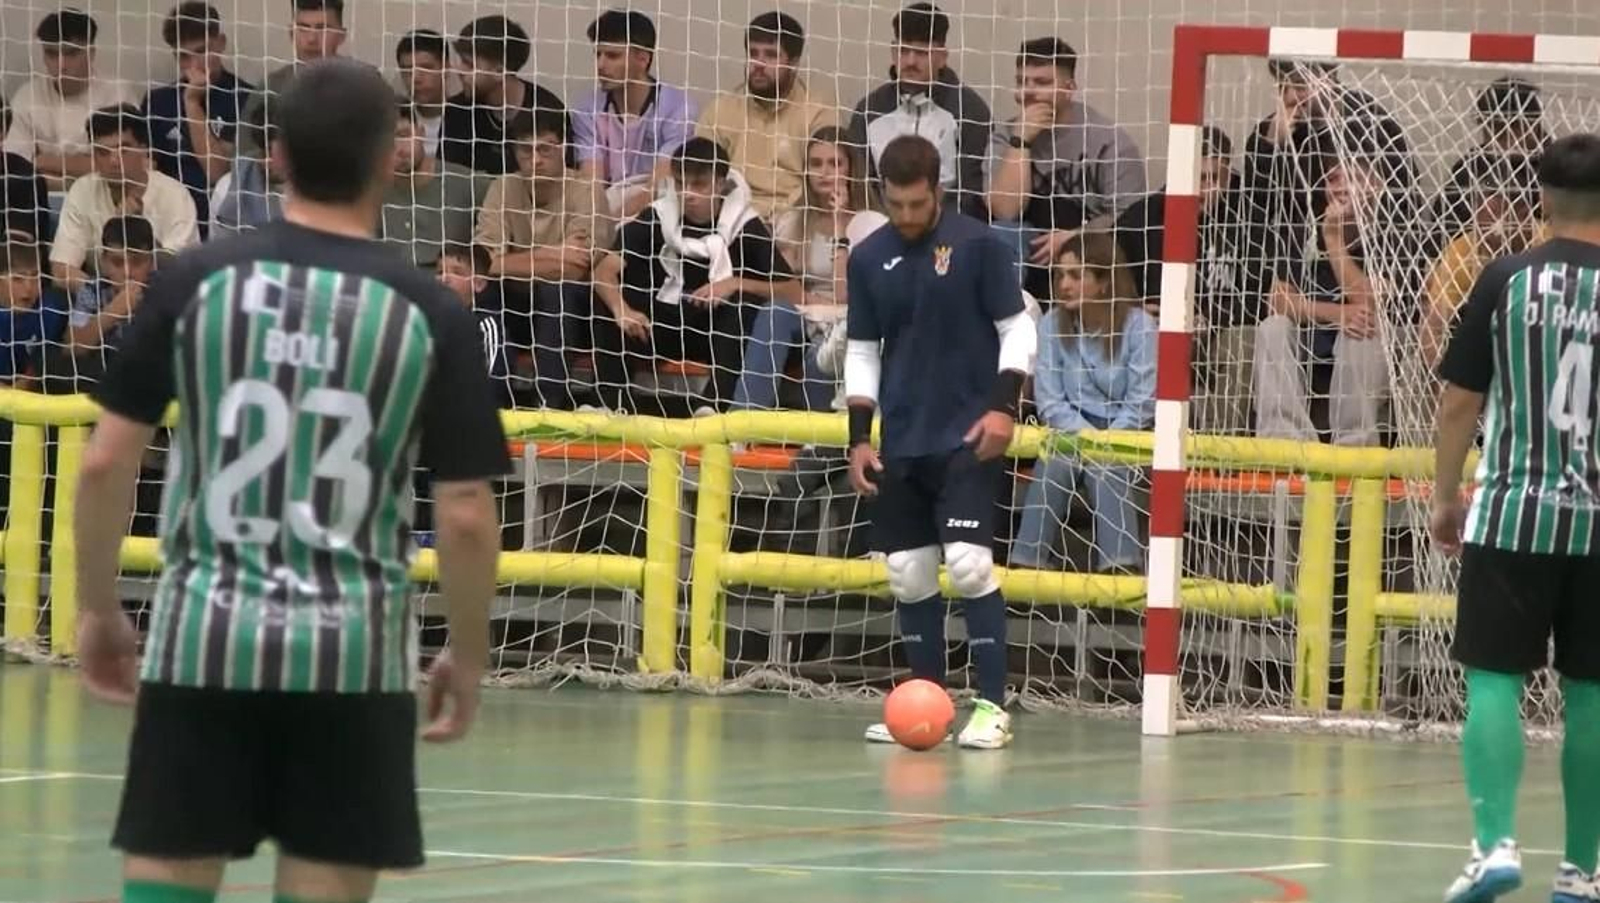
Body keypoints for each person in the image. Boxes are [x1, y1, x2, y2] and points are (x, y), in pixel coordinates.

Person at [70, 58, 509, 903]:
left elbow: (102, 460)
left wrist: (98, 606)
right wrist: (466, 648)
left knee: (170, 874)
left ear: (273, 155)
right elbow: (462, 513)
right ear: (392, 158)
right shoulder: (431, 311)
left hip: (204, 640)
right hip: (355, 658)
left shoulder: (193, 281)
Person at [1431, 132, 1600, 903]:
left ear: (1542, 198)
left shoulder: (1504, 277)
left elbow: (1460, 399)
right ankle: (1582, 869)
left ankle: (1495, 843)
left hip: (1511, 512)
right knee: (1592, 693)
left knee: (1493, 680)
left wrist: (1446, 494)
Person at [845, 134, 1035, 749]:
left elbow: (1016, 328)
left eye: (917, 205)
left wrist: (1005, 407)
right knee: (906, 572)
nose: (906, 217)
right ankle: (924, 704)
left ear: (939, 191)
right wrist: (858, 438)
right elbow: (862, 350)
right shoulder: (868, 258)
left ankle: (991, 707)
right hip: (903, 437)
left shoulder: (979, 245)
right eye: (895, 205)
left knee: (970, 565)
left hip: (968, 435)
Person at [592, 136, 801, 415]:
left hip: (714, 332)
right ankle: (611, 405)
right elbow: (604, 270)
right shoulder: (658, 216)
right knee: (605, 300)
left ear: (720, 184)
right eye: (680, 183)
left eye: (699, 185)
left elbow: (793, 291)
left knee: (743, 306)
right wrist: (622, 310)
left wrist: (732, 283)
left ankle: (713, 407)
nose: (688, 194)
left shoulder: (745, 224)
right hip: (660, 326)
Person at [1011, 231, 1153, 574]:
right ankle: (1026, 566)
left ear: (1104, 282)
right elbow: (1049, 402)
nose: (1065, 284)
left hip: (1127, 434)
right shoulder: (1049, 325)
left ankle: (1120, 570)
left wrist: (1105, 442)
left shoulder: (1141, 327)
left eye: (1076, 275)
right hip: (1072, 432)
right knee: (1056, 460)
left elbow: (1142, 403)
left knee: (1108, 463)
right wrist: (1089, 439)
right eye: (1060, 275)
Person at [1117, 125, 1261, 435]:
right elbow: (1105, 272)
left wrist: (1210, 320)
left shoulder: (1248, 216)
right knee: (1137, 333)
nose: (1204, 188)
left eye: (1214, 179)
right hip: (1155, 331)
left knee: (1246, 340)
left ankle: (1219, 448)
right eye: (1198, 177)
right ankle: (1142, 440)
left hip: (1220, 332)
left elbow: (1259, 294)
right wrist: (1133, 307)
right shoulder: (1146, 216)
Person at [731, 126, 878, 412]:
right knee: (775, 311)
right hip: (804, 313)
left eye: (835, 163)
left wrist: (839, 228)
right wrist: (810, 301)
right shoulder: (794, 220)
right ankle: (743, 422)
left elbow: (843, 294)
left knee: (820, 353)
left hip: (847, 321)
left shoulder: (870, 223)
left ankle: (816, 442)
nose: (824, 173)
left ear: (851, 170)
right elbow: (786, 286)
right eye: (816, 164)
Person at [988, 37, 1145, 298]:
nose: (1028, 91)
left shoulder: (1110, 142)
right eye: (1021, 81)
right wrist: (1021, 141)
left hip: (1090, 245)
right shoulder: (1007, 134)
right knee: (1002, 234)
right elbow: (1005, 211)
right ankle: (1009, 322)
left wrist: (1075, 237)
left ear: (1069, 87)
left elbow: (1130, 219)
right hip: (1031, 245)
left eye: (1042, 82)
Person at [847, 3, 991, 217]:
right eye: (903, 51)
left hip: (948, 227)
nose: (911, 61)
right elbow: (859, 183)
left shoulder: (970, 110)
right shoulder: (869, 109)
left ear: (942, 57)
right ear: (893, 53)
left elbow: (970, 192)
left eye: (922, 52)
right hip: (882, 226)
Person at [696, 12, 837, 221]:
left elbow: (826, 180)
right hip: (732, 215)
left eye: (771, 55)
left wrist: (776, 217)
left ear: (794, 62)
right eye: (753, 53)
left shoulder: (818, 112)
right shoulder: (720, 110)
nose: (759, 64)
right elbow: (700, 173)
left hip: (795, 218)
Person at [51, 104, 199, 295]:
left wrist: (139, 231)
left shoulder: (175, 195)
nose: (113, 160)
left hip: (160, 299)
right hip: (100, 299)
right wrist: (102, 296)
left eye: (123, 150)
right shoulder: (82, 190)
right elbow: (61, 271)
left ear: (144, 149)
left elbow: (181, 271)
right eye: (103, 152)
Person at [142, 2, 255, 234]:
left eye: (202, 51)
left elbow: (217, 174)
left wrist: (192, 104)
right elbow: (147, 174)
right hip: (168, 224)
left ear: (221, 43)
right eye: (183, 56)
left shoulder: (247, 98)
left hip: (225, 222)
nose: (194, 65)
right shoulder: (157, 102)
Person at [573, 9, 697, 219]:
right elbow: (591, 185)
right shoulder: (587, 108)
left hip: (656, 208)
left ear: (642, 59)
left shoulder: (678, 107)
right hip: (606, 206)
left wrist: (611, 226)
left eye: (612, 56)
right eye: (598, 54)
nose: (601, 65)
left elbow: (659, 187)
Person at [3, 9, 139, 191]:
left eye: (71, 53)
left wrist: (44, 159)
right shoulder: (27, 96)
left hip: (104, 198)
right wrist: (86, 165)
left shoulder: (117, 95)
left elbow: (130, 166)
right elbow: (16, 168)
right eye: (51, 54)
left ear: (91, 53)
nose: (61, 65)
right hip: (39, 199)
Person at [441, 15, 567, 177]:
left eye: (469, 64)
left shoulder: (548, 112)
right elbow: (450, 179)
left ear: (500, 71)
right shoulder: (457, 111)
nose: (459, 70)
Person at [55, 214, 157, 391]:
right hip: (102, 372)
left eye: (137, 262)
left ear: (151, 262)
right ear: (104, 261)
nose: (127, 272)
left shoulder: (166, 287)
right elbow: (72, 348)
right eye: (117, 262)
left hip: (150, 371)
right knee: (56, 364)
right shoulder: (92, 290)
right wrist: (112, 312)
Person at [380, 103, 488, 268]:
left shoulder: (466, 182)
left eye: (404, 135)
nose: (399, 149)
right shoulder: (371, 194)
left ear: (421, 133)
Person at [240, 0, 347, 157]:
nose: (311, 39)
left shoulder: (367, 85)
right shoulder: (270, 87)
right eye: (303, 28)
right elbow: (243, 154)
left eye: (322, 28)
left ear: (341, 36)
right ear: (291, 33)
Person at [436, 241, 512, 407]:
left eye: (457, 272)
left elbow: (494, 380)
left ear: (479, 283)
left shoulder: (487, 325)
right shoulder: (427, 321)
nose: (445, 278)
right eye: (440, 271)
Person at [395, 29, 450, 159]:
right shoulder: (395, 121)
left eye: (426, 68)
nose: (416, 78)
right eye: (408, 70)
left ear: (446, 69)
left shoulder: (467, 121)